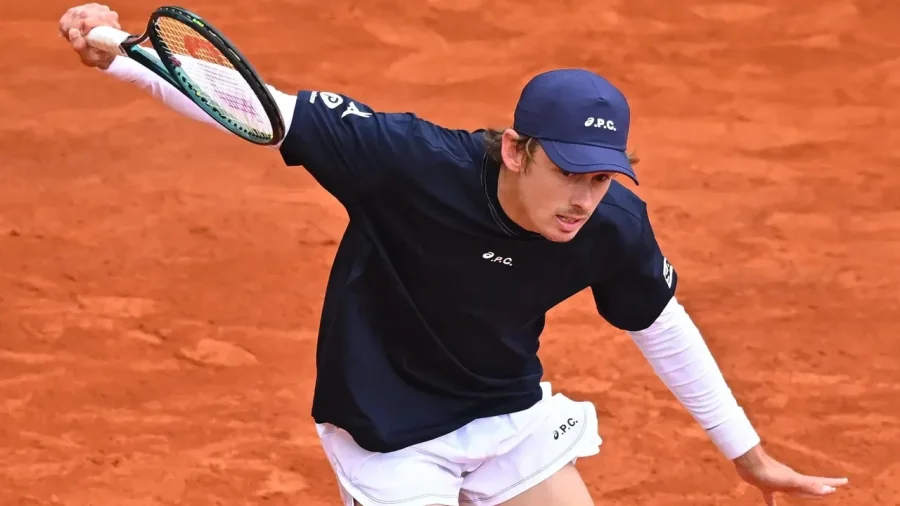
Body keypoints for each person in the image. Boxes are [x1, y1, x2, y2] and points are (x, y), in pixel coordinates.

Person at [58, 4, 850, 505]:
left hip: (504, 415)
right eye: (570, 172)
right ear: (516, 149)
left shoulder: (612, 225)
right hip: (386, 429)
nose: (584, 198)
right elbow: (255, 106)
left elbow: (661, 327)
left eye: (604, 178)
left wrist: (749, 457)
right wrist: (116, 47)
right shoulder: (405, 160)